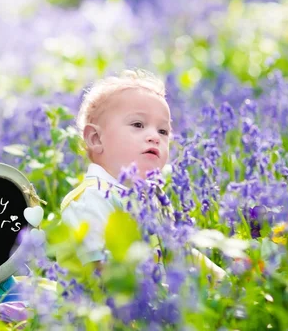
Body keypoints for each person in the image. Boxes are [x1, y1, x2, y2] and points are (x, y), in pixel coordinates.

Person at [60, 69, 225, 279]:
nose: (154, 137)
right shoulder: (92, 200)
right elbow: (101, 271)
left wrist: (224, 281)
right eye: (138, 124)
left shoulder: (152, 199)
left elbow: (178, 253)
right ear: (96, 139)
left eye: (163, 131)